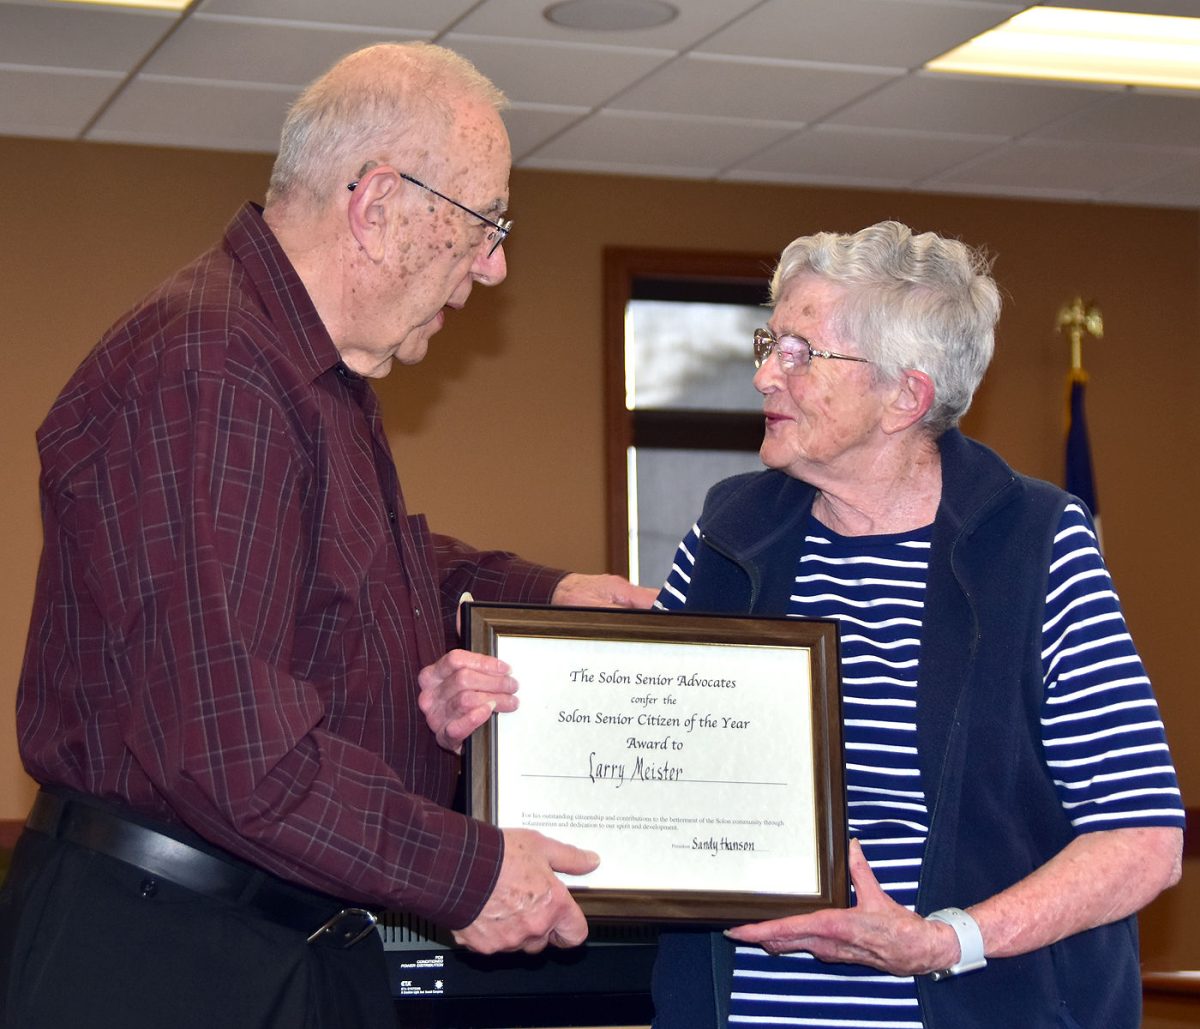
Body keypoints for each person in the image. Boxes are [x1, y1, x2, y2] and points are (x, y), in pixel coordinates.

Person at [0, 42, 652, 1029]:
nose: (495, 264)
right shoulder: (211, 369)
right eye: (484, 223)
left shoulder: (303, 375)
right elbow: (232, 753)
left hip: (260, 942)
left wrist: (541, 594)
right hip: (171, 960)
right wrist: (471, 874)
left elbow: (364, 567)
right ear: (378, 203)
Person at [643, 221, 1185, 1028]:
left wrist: (945, 940)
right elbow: (645, 754)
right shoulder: (727, 534)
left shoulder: (1035, 544)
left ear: (907, 396)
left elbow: (1142, 839)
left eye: (801, 353)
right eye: (770, 342)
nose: (763, 375)